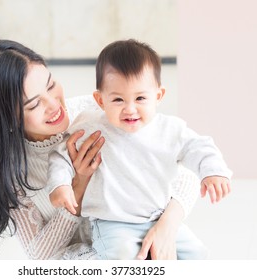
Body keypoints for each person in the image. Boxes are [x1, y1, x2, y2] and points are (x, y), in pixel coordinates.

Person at [0, 38, 201, 260]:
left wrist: (166, 227)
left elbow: (185, 177)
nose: (54, 105)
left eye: (51, 85)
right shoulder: (12, 170)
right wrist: (78, 186)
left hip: (142, 238)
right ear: (6, 119)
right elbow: (40, 255)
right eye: (34, 105)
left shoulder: (98, 111)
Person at [47, 39, 232, 260]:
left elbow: (199, 146)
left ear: (158, 96)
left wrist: (213, 171)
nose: (130, 109)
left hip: (158, 216)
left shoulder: (169, 129)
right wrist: (60, 184)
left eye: (140, 98)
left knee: (198, 255)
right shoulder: (91, 127)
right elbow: (61, 155)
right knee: (123, 257)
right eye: (118, 99)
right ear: (100, 100)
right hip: (113, 223)